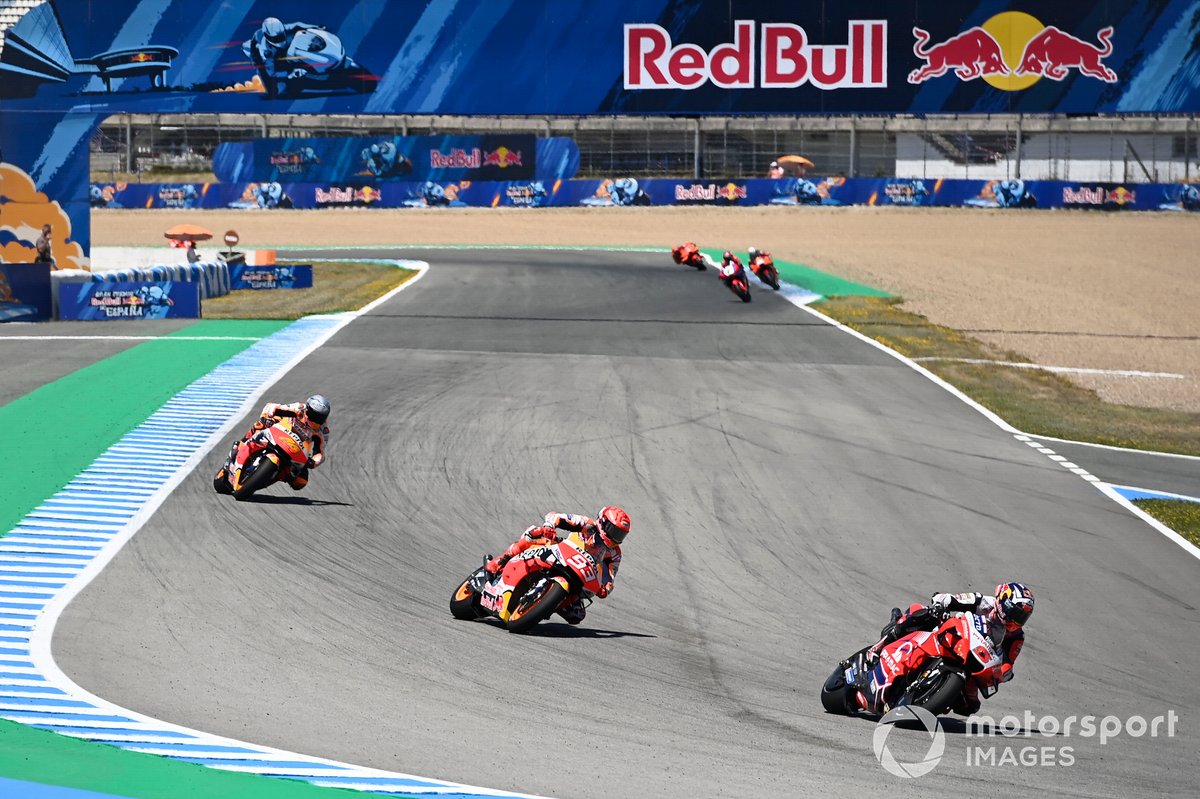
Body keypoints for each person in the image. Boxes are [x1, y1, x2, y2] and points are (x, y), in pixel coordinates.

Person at [872, 582, 1034, 715]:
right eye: (1016, 613)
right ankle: (881, 645)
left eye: (1022, 618)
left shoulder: (1016, 636)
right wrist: (942, 603)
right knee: (920, 612)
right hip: (954, 635)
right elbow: (954, 599)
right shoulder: (984, 602)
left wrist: (1002, 674)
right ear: (1003, 603)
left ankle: (930, 697)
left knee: (970, 706)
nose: (1017, 621)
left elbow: (1008, 663)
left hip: (976, 659)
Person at [484, 507, 631, 625]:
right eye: (614, 531)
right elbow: (556, 516)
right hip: (560, 554)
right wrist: (550, 526)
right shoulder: (587, 524)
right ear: (603, 523)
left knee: (576, 615)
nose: (616, 537)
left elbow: (610, 576)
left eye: (620, 535)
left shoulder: (614, 553)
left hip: (580, 576)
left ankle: (544, 604)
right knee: (534, 533)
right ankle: (501, 561)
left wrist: (605, 588)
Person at [216, 395, 331, 491]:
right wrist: (267, 418)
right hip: (278, 433)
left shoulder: (323, 431)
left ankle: (270, 477)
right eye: (314, 415)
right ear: (307, 409)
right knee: (259, 425)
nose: (316, 419)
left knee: (300, 482)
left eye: (319, 417)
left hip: (294, 450)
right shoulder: (298, 408)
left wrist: (313, 462)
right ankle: (241, 446)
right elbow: (272, 407)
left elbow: (320, 453)